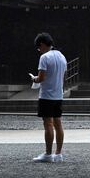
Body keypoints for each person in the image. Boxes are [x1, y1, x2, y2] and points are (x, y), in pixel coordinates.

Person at [31, 32, 67, 163]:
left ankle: (47, 154)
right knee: (58, 124)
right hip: (58, 95)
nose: (39, 50)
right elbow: (63, 77)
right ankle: (58, 153)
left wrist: (34, 79)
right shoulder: (62, 57)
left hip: (46, 95)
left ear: (41, 44)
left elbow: (41, 78)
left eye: (38, 47)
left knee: (48, 124)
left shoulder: (44, 57)